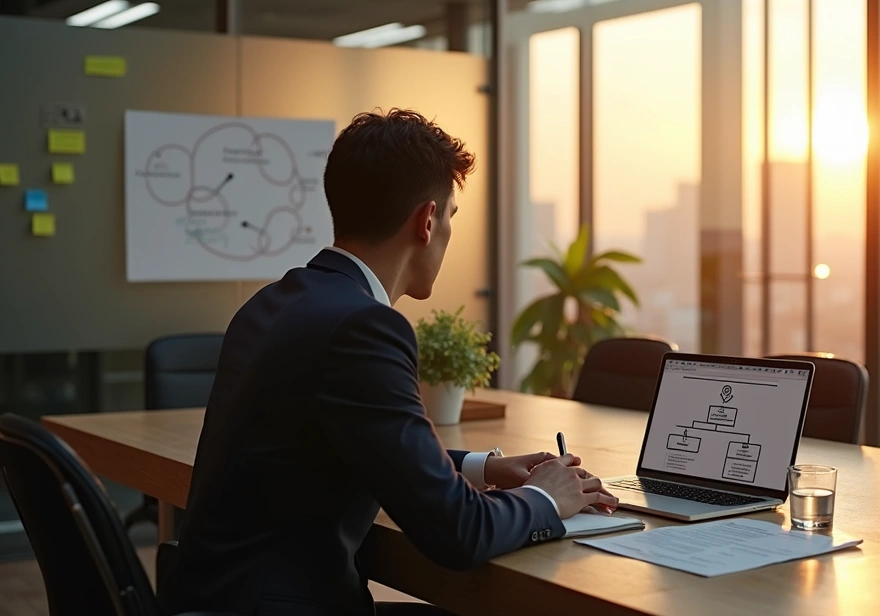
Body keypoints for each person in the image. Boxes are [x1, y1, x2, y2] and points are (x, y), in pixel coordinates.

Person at [159, 109, 616, 616]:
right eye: (450, 217)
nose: (447, 233)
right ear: (426, 221)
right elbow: (458, 535)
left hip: (211, 599)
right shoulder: (364, 326)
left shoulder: (275, 301)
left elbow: (343, 440)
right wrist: (546, 497)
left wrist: (483, 468)